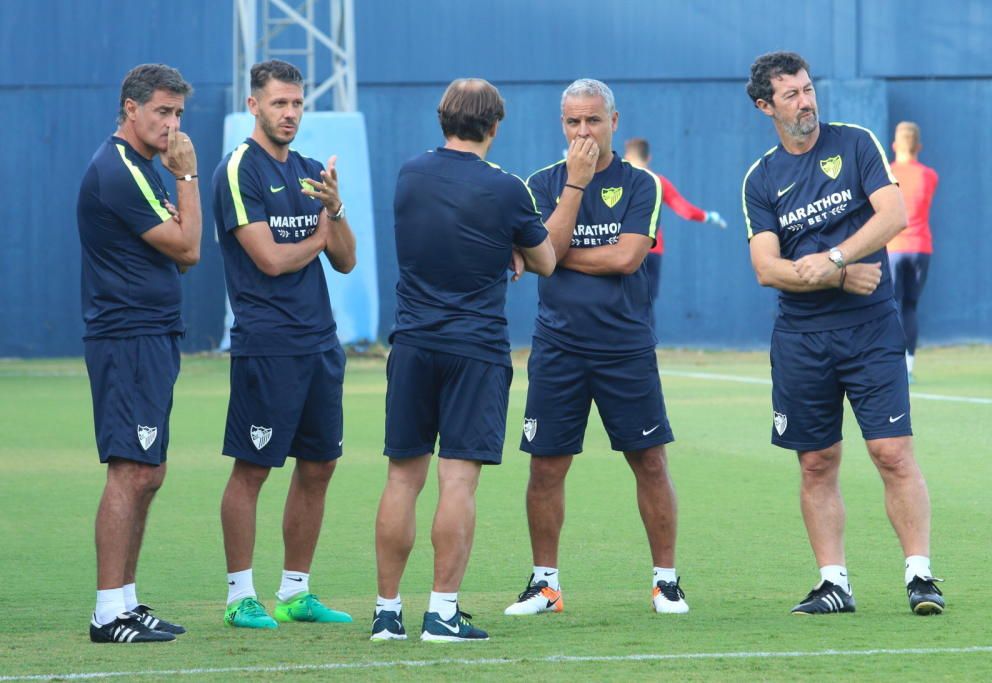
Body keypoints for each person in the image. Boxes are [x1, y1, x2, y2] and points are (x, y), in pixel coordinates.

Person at [742, 51, 944, 616]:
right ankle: (834, 583)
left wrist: (832, 257)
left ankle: (920, 576)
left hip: (871, 328)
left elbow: (892, 215)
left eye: (808, 89)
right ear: (766, 106)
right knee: (816, 462)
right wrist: (836, 275)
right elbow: (767, 269)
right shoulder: (760, 179)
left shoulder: (855, 143)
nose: (806, 101)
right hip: (802, 340)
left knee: (891, 452)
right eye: (791, 95)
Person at [373, 78, 556, 643]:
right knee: (458, 482)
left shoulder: (409, 173)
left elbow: (438, 227)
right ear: (495, 127)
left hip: (412, 344)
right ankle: (442, 612)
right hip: (474, 350)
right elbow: (546, 260)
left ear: (442, 119)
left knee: (402, 478)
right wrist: (512, 245)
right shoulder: (507, 190)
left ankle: (386, 613)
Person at [505, 79, 690, 618]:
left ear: (614, 120)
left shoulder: (641, 184)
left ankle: (666, 582)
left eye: (592, 120)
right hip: (558, 347)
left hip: (625, 348)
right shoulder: (539, 184)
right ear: (561, 125)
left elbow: (626, 259)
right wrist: (575, 188)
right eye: (572, 122)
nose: (582, 131)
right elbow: (548, 252)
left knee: (650, 462)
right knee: (545, 468)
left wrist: (552, 256)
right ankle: (545, 585)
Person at [212, 59, 357, 630]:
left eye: (297, 104)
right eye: (279, 103)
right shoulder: (238, 170)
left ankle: (295, 591)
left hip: (320, 344)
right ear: (254, 105)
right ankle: (239, 595)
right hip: (267, 345)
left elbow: (345, 260)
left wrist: (336, 210)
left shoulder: (311, 171)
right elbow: (270, 260)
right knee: (252, 469)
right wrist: (321, 232)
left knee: (319, 465)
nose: (290, 113)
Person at [78, 63, 201, 643]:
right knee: (130, 470)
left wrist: (176, 195)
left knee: (150, 472)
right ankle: (107, 613)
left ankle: (126, 601)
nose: (172, 125)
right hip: (127, 337)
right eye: (162, 112)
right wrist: (190, 178)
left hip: (152, 334)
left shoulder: (143, 168)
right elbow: (189, 248)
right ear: (130, 108)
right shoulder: (121, 169)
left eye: (178, 114)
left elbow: (177, 254)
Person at [623, 137, 726, 306]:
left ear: (627, 157)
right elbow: (685, 211)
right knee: (645, 308)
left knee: (622, 306)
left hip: (624, 250)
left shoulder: (618, 181)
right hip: (652, 249)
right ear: (648, 158)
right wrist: (710, 217)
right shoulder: (658, 182)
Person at [886, 122, 938, 380]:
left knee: (891, 305)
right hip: (920, 248)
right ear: (919, 146)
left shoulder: (888, 174)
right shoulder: (929, 175)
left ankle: (892, 365)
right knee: (910, 306)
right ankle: (908, 367)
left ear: (895, 145)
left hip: (893, 247)